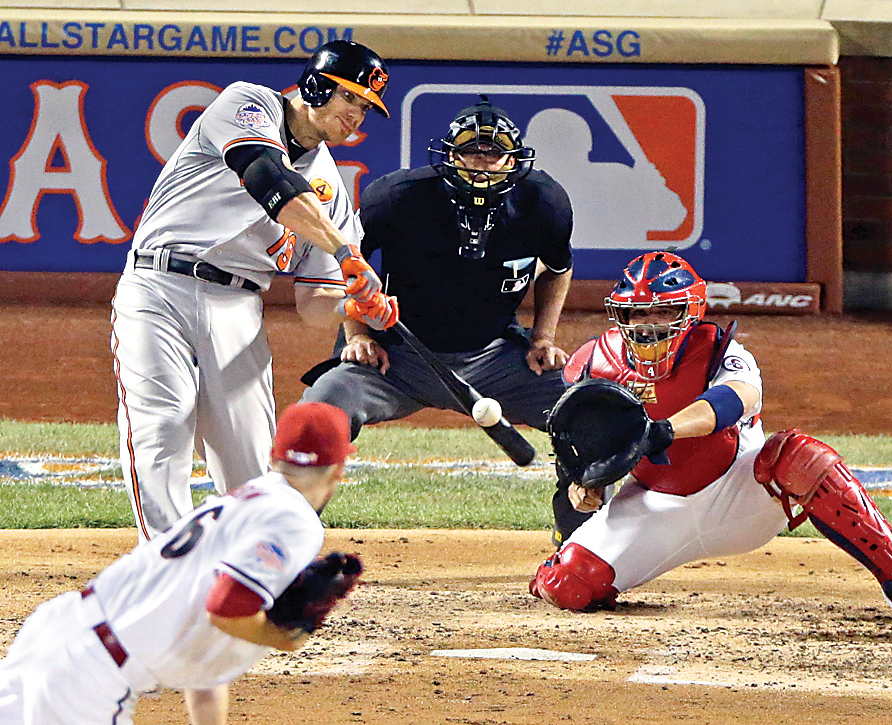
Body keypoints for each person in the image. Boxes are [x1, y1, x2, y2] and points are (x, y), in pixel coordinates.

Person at [529, 251, 892, 624]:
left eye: (664, 312)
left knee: (798, 455)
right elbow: (582, 448)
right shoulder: (590, 363)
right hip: (654, 506)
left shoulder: (721, 350)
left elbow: (736, 398)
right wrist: (585, 489)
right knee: (565, 586)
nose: (649, 325)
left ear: (690, 312)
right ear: (620, 314)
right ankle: (577, 564)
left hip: (739, 492)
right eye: (638, 313)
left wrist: (663, 430)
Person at [111, 40, 399, 542]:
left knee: (248, 457)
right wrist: (344, 252)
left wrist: (354, 306)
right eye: (351, 100)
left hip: (240, 309)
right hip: (159, 289)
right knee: (161, 429)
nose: (358, 116)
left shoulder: (330, 187)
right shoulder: (248, 104)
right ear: (315, 86)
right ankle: (166, 572)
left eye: (366, 108)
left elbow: (313, 305)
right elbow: (267, 177)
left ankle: (248, 576)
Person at [300, 96, 588, 543]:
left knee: (588, 415)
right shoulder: (396, 197)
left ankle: (582, 541)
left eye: (494, 153)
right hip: (396, 354)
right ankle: (289, 534)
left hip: (495, 357)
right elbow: (347, 259)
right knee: (319, 410)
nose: (482, 163)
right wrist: (356, 333)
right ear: (449, 155)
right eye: (471, 151)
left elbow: (558, 268)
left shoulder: (544, 201)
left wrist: (542, 338)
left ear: (514, 159)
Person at [0, 401, 359, 725]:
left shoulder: (244, 501)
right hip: (86, 685)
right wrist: (276, 637)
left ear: (272, 456)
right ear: (339, 468)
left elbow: (206, 671)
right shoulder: (296, 520)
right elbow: (226, 606)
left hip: (53, 633)